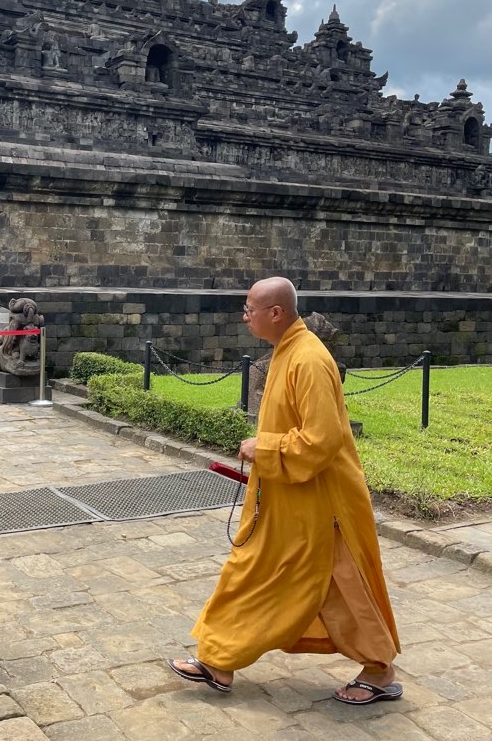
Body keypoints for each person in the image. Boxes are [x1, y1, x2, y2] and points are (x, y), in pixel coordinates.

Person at [167, 276, 402, 705]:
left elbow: (322, 439)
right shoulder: (286, 351)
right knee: (248, 572)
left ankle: (379, 669)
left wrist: (264, 447)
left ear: (275, 313)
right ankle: (218, 660)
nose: (244, 316)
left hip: (322, 503)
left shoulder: (308, 358)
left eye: (249, 309)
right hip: (284, 497)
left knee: (340, 585)